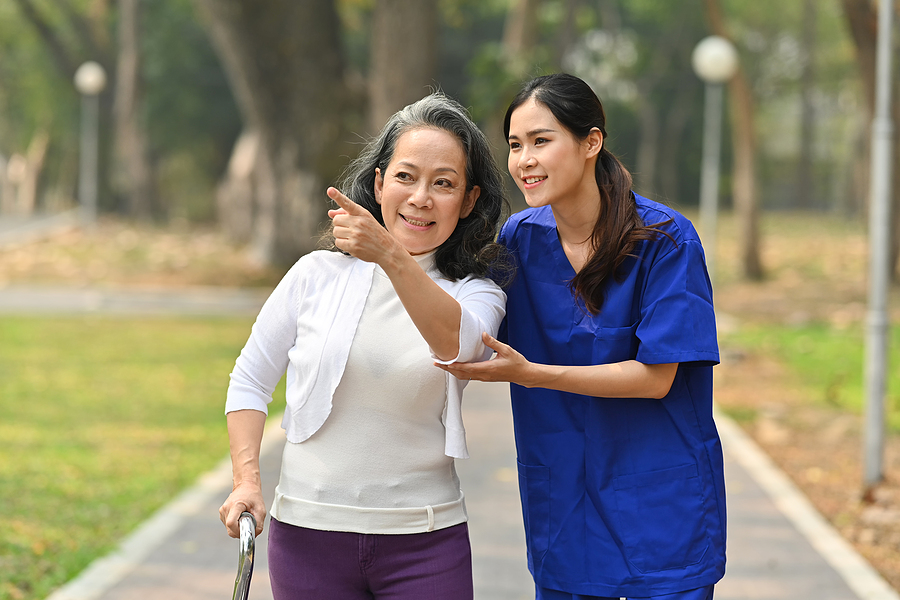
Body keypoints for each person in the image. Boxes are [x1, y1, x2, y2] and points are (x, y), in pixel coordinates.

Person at [438, 73, 726, 600]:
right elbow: (461, 324)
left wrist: (531, 374)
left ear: (591, 142)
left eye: (541, 141)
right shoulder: (519, 241)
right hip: (566, 506)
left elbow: (656, 377)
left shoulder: (665, 240)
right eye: (515, 145)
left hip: (662, 507)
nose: (524, 159)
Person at [218, 92, 509, 600]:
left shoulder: (476, 293)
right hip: (307, 537)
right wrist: (247, 480)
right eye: (405, 176)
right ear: (378, 184)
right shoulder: (315, 275)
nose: (421, 197)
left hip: (426, 542)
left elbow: (460, 348)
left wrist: (390, 255)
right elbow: (250, 379)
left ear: (467, 202)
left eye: (443, 184)